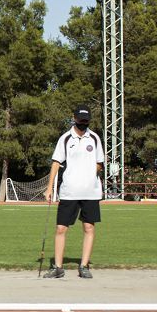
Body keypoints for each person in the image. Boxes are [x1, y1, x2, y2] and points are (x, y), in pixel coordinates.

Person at [43, 106, 103, 279]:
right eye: (80, 119)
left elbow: (99, 163)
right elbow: (55, 163)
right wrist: (49, 188)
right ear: (74, 118)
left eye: (86, 120)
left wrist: (91, 174)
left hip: (90, 192)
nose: (83, 122)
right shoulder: (65, 138)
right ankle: (58, 268)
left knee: (89, 227)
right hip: (69, 191)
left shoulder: (95, 139)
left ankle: (84, 266)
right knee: (61, 228)